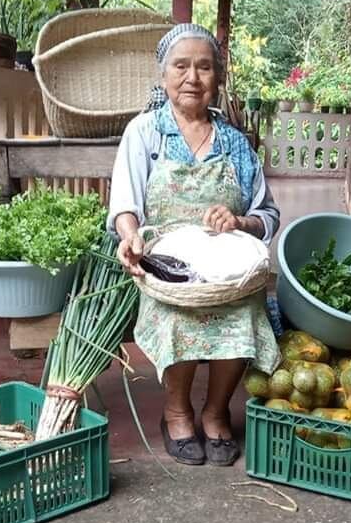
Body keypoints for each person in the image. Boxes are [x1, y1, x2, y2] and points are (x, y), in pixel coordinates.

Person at [107, 24, 280, 466]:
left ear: (217, 77)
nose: (192, 78)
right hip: (164, 263)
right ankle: (176, 410)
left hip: (227, 267)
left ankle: (216, 409)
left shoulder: (235, 144)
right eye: (180, 66)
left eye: (204, 67)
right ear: (163, 75)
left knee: (246, 310)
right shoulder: (145, 133)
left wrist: (239, 220)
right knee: (176, 312)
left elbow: (268, 215)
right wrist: (130, 237)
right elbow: (125, 205)